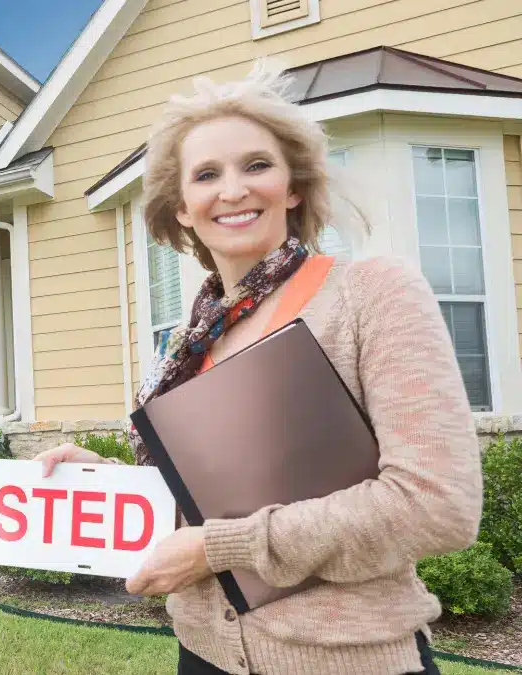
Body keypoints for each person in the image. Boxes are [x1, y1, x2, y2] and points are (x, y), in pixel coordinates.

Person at [35, 63, 483, 675]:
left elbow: (436, 506)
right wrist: (112, 482)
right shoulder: (187, 345)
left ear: (294, 187)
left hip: (344, 662)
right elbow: (206, 503)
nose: (233, 190)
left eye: (256, 166)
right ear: (183, 209)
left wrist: (219, 549)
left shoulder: (369, 294)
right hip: (203, 655)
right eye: (207, 175)